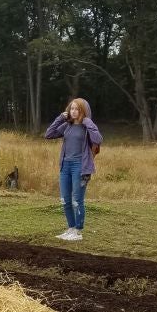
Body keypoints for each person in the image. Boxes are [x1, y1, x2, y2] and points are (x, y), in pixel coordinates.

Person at [44, 98, 103, 241]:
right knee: (65, 200)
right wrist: (60, 118)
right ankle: (70, 228)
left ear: (83, 111)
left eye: (77, 109)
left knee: (77, 200)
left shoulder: (86, 127)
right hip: (65, 166)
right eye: (72, 108)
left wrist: (88, 121)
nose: (73, 111)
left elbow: (98, 139)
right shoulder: (67, 126)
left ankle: (77, 231)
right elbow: (49, 134)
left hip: (80, 167)